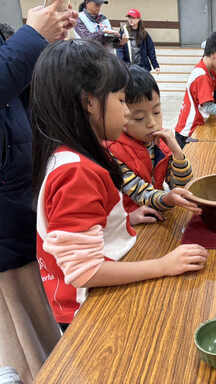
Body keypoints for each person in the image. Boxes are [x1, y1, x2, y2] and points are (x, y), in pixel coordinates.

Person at [31, 40, 208, 330]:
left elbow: (83, 224)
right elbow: (85, 271)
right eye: (122, 101)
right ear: (89, 102)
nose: (126, 113)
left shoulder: (76, 156)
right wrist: (164, 265)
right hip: (87, 307)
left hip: (106, 278)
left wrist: (124, 218)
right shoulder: (77, 172)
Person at [0, 2, 77, 382]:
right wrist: (31, 39)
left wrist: (42, 45)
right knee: (20, 346)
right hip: (7, 226)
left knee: (40, 331)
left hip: (18, 204)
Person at [107, 65, 199, 217]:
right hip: (129, 223)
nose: (152, 123)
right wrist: (167, 198)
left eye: (156, 112)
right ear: (120, 114)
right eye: (139, 118)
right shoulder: (113, 151)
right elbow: (142, 194)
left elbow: (182, 184)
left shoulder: (160, 143)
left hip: (155, 215)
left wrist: (177, 152)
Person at [174, 30, 216, 149]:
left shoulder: (209, 70)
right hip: (188, 132)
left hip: (197, 126)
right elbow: (209, 107)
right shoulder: (202, 76)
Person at [116, 9, 160, 73]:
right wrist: (121, 64)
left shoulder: (145, 34)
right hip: (128, 67)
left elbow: (151, 50)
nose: (131, 19)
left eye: (133, 18)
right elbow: (119, 49)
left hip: (143, 67)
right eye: (129, 17)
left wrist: (155, 65)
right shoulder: (123, 32)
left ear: (139, 19)